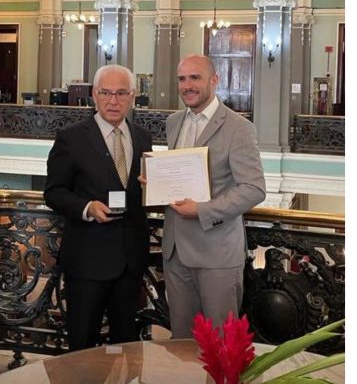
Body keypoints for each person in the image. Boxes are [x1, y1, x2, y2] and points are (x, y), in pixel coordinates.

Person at [44, 64, 153, 351]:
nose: (113, 101)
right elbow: (53, 192)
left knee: (126, 348)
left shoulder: (143, 137)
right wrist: (87, 207)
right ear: (94, 95)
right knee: (82, 346)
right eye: (106, 93)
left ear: (132, 96)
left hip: (130, 261)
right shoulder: (71, 137)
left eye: (121, 93)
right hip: (87, 262)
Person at [162, 54, 266, 339]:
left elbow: (254, 188)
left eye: (195, 78)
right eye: (182, 79)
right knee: (182, 344)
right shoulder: (173, 122)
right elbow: (180, 175)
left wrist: (203, 210)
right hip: (175, 252)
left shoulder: (239, 127)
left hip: (217, 254)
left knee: (221, 346)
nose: (187, 85)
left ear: (214, 80)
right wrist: (157, 184)